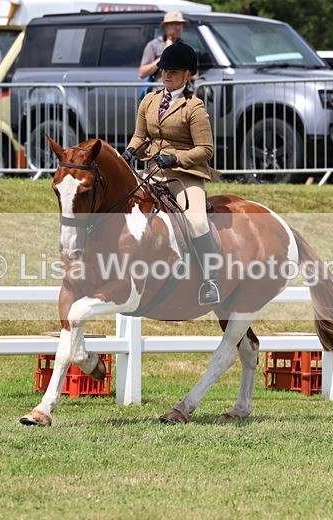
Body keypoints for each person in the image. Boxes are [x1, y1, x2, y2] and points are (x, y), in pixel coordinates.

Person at [122, 42, 222, 306]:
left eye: (174, 72)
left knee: (198, 222)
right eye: (165, 70)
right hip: (153, 171)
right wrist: (130, 152)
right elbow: (140, 135)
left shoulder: (194, 107)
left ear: (187, 75)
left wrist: (175, 158)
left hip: (185, 174)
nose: (167, 75)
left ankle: (211, 281)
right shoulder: (149, 101)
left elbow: (206, 149)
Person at [138, 11, 188, 83]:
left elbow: (194, 74)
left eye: (180, 24)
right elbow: (142, 73)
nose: (178, 28)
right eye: (173, 24)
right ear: (165, 26)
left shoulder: (185, 46)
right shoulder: (154, 45)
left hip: (181, 90)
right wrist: (164, 56)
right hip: (161, 90)